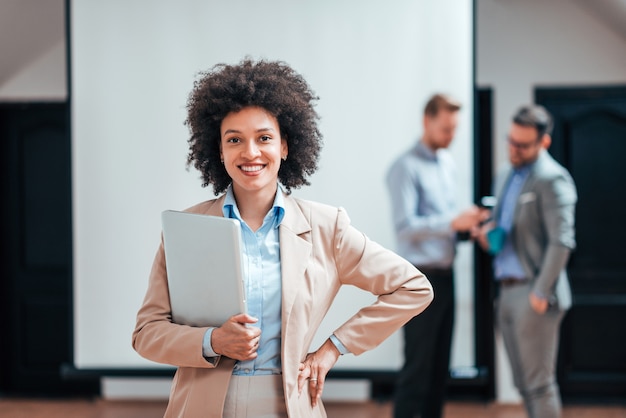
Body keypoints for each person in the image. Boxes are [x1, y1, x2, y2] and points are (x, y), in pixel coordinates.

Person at [132, 58, 434, 418]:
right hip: (202, 405)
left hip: (289, 405)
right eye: (234, 140)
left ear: (285, 146)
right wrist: (212, 341)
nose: (251, 153)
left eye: (264, 138)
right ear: (219, 150)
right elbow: (146, 333)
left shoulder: (327, 227)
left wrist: (334, 348)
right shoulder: (185, 228)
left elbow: (413, 287)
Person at [473, 105, 577, 418]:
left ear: (543, 142)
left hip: (533, 292)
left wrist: (541, 293)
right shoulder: (506, 174)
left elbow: (562, 240)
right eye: (510, 141)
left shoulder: (552, 179)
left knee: (540, 385)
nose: (513, 149)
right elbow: (506, 225)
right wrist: (487, 233)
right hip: (505, 289)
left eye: (522, 145)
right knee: (523, 383)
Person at [386, 94, 484, 418]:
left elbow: (440, 224)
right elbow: (406, 226)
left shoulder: (447, 163)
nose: (451, 136)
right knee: (418, 367)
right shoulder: (404, 167)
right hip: (418, 277)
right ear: (426, 121)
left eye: (454, 129)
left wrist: (466, 228)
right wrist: (451, 222)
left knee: (440, 366)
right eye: (445, 128)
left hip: (446, 275)